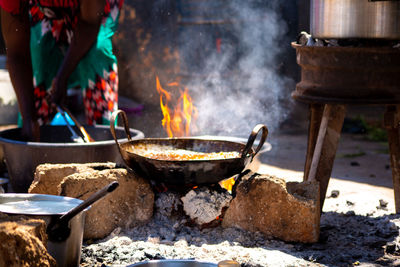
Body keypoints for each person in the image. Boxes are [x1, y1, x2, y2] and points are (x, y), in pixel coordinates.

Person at [0, 0, 123, 140]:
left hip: (93, 10)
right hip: (43, 11)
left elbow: (89, 23)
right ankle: (34, 136)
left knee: (96, 54)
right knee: (40, 57)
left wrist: (62, 76)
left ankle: (105, 142)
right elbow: (17, 53)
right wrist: (29, 117)